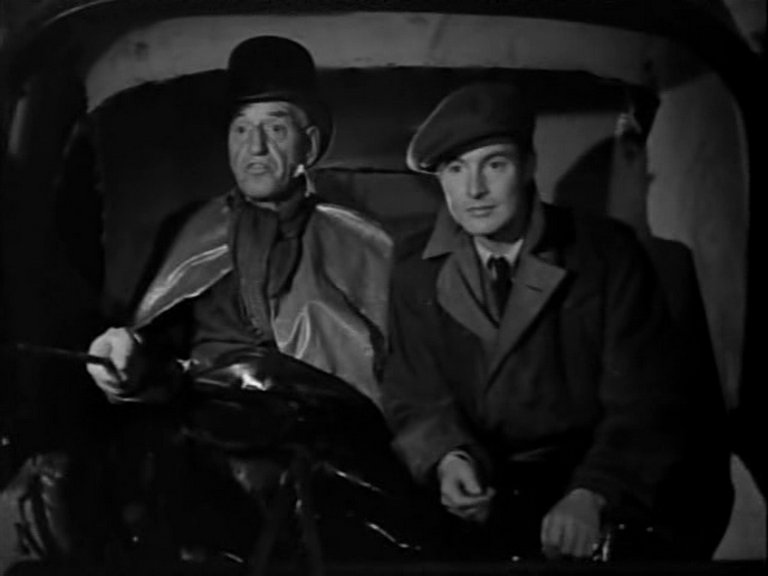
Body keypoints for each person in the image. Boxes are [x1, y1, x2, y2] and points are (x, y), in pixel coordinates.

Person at [84, 36, 393, 560]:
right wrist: (125, 364)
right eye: (242, 129)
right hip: (207, 457)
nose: (256, 148)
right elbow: (151, 356)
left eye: (276, 128)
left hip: (332, 462)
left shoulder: (362, 243)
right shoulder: (187, 234)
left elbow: (400, 381)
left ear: (309, 145)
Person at [380, 82, 700, 561]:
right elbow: (414, 391)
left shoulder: (607, 254)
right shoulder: (413, 267)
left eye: (495, 165)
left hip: (584, 482)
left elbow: (645, 401)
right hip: (477, 491)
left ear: (529, 166)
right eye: (456, 169)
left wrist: (596, 490)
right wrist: (447, 458)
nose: (474, 190)